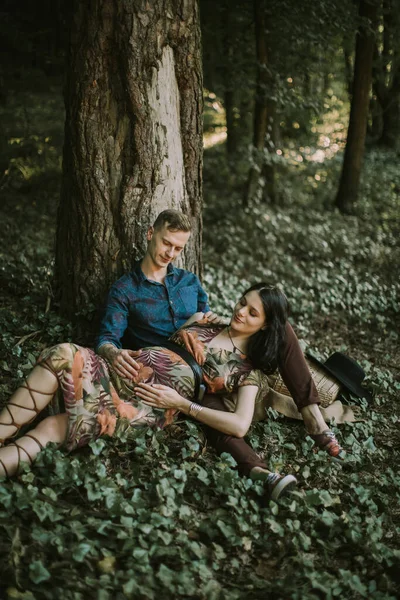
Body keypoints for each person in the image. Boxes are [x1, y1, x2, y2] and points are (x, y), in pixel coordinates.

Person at [0, 282, 298, 500]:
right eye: (242, 301)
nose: (241, 311)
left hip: (147, 403)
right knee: (64, 352)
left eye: (252, 312)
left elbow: (239, 424)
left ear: (265, 325)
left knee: (57, 426)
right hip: (120, 371)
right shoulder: (205, 321)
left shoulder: (248, 372)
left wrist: (183, 404)